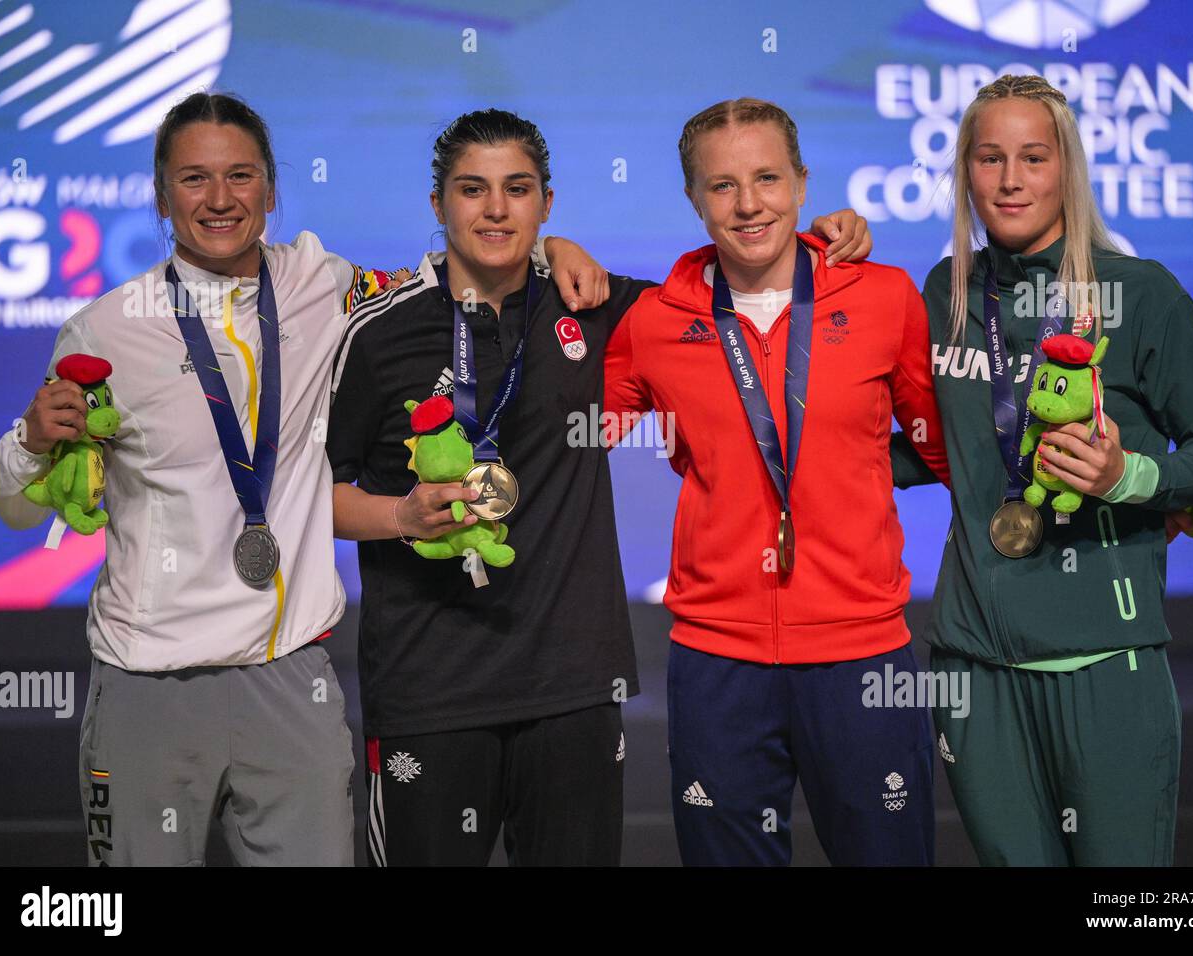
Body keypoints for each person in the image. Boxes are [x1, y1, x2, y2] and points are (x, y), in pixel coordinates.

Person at [0, 92, 603, 866]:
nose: (219, 199)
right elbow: (17, 506)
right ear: (160, 195)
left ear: (272, 190)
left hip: (294, 683)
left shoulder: (327, 286)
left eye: (240, 176)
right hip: (148, 684)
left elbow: (459, 268)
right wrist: (27, 443)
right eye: (194, 179)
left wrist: (554, 251)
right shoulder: (105, 329)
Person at [325, 107, 870, 866]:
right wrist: (402, 515)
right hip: (430, 692)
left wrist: (826, 236)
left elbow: (739, 273)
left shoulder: (598, 305)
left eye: (517, 189)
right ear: (436, 204)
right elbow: (313, 494)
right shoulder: (379, 331)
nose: (495, 209)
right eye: (472, 189)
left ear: (547, 201)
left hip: (574, 691)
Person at [905, 74, 1193, 865]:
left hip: (1109, 662)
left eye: (1034, 156)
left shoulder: (1141, 291)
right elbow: (931, 443)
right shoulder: (945, 294)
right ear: (964, 171)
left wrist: (1129, 475)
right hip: (974, 665)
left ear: (1068, 169)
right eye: (989, 158)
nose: (1011, 179)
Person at [604, 98, 951, 866]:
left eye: (767, 177)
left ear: (802, 183)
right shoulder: (655, 322)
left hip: (861, 654)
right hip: (717, 660)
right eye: (722, 186)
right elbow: (566, 432)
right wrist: (547, 251)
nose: (749, 203)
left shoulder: (885, 298)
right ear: (694, 200)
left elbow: (946, 447)